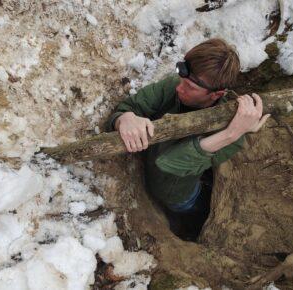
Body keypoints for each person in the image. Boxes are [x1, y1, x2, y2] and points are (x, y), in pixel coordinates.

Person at [106, 39, 269, 238]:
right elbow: (128, 108)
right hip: (150, 176)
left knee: (194, 209)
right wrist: (125, 118)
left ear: (216, 94)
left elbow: (169, 162)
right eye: (182, 79)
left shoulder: (233, 137)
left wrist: (231, 133)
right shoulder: (173, 86)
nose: (179, 88)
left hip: (179, 195)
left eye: (190, 86)